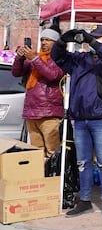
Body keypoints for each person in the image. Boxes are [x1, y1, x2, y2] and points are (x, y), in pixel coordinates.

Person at [52, 25, 102, 218]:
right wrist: (61, 41)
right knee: (82, 162)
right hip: (80, 119)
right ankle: (84, 201)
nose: (92, 41)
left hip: (101, 119)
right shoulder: (78, 60)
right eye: (90, 38)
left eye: (98, 38)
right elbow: (57, 57)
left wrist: (92, 42)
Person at [12, 28, 64, 161]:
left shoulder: (60, 59)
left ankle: (54, 178)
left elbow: (52, 75)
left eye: (48, 40)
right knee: (36, 151)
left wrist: (34, 58)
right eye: (42, 39)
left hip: (49, 112)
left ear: (56, 43)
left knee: (52, 151)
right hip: (32, 111)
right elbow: (16, 73)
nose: (44, 42)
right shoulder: (35, 58)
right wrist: (19, 58)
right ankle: (40, 178)